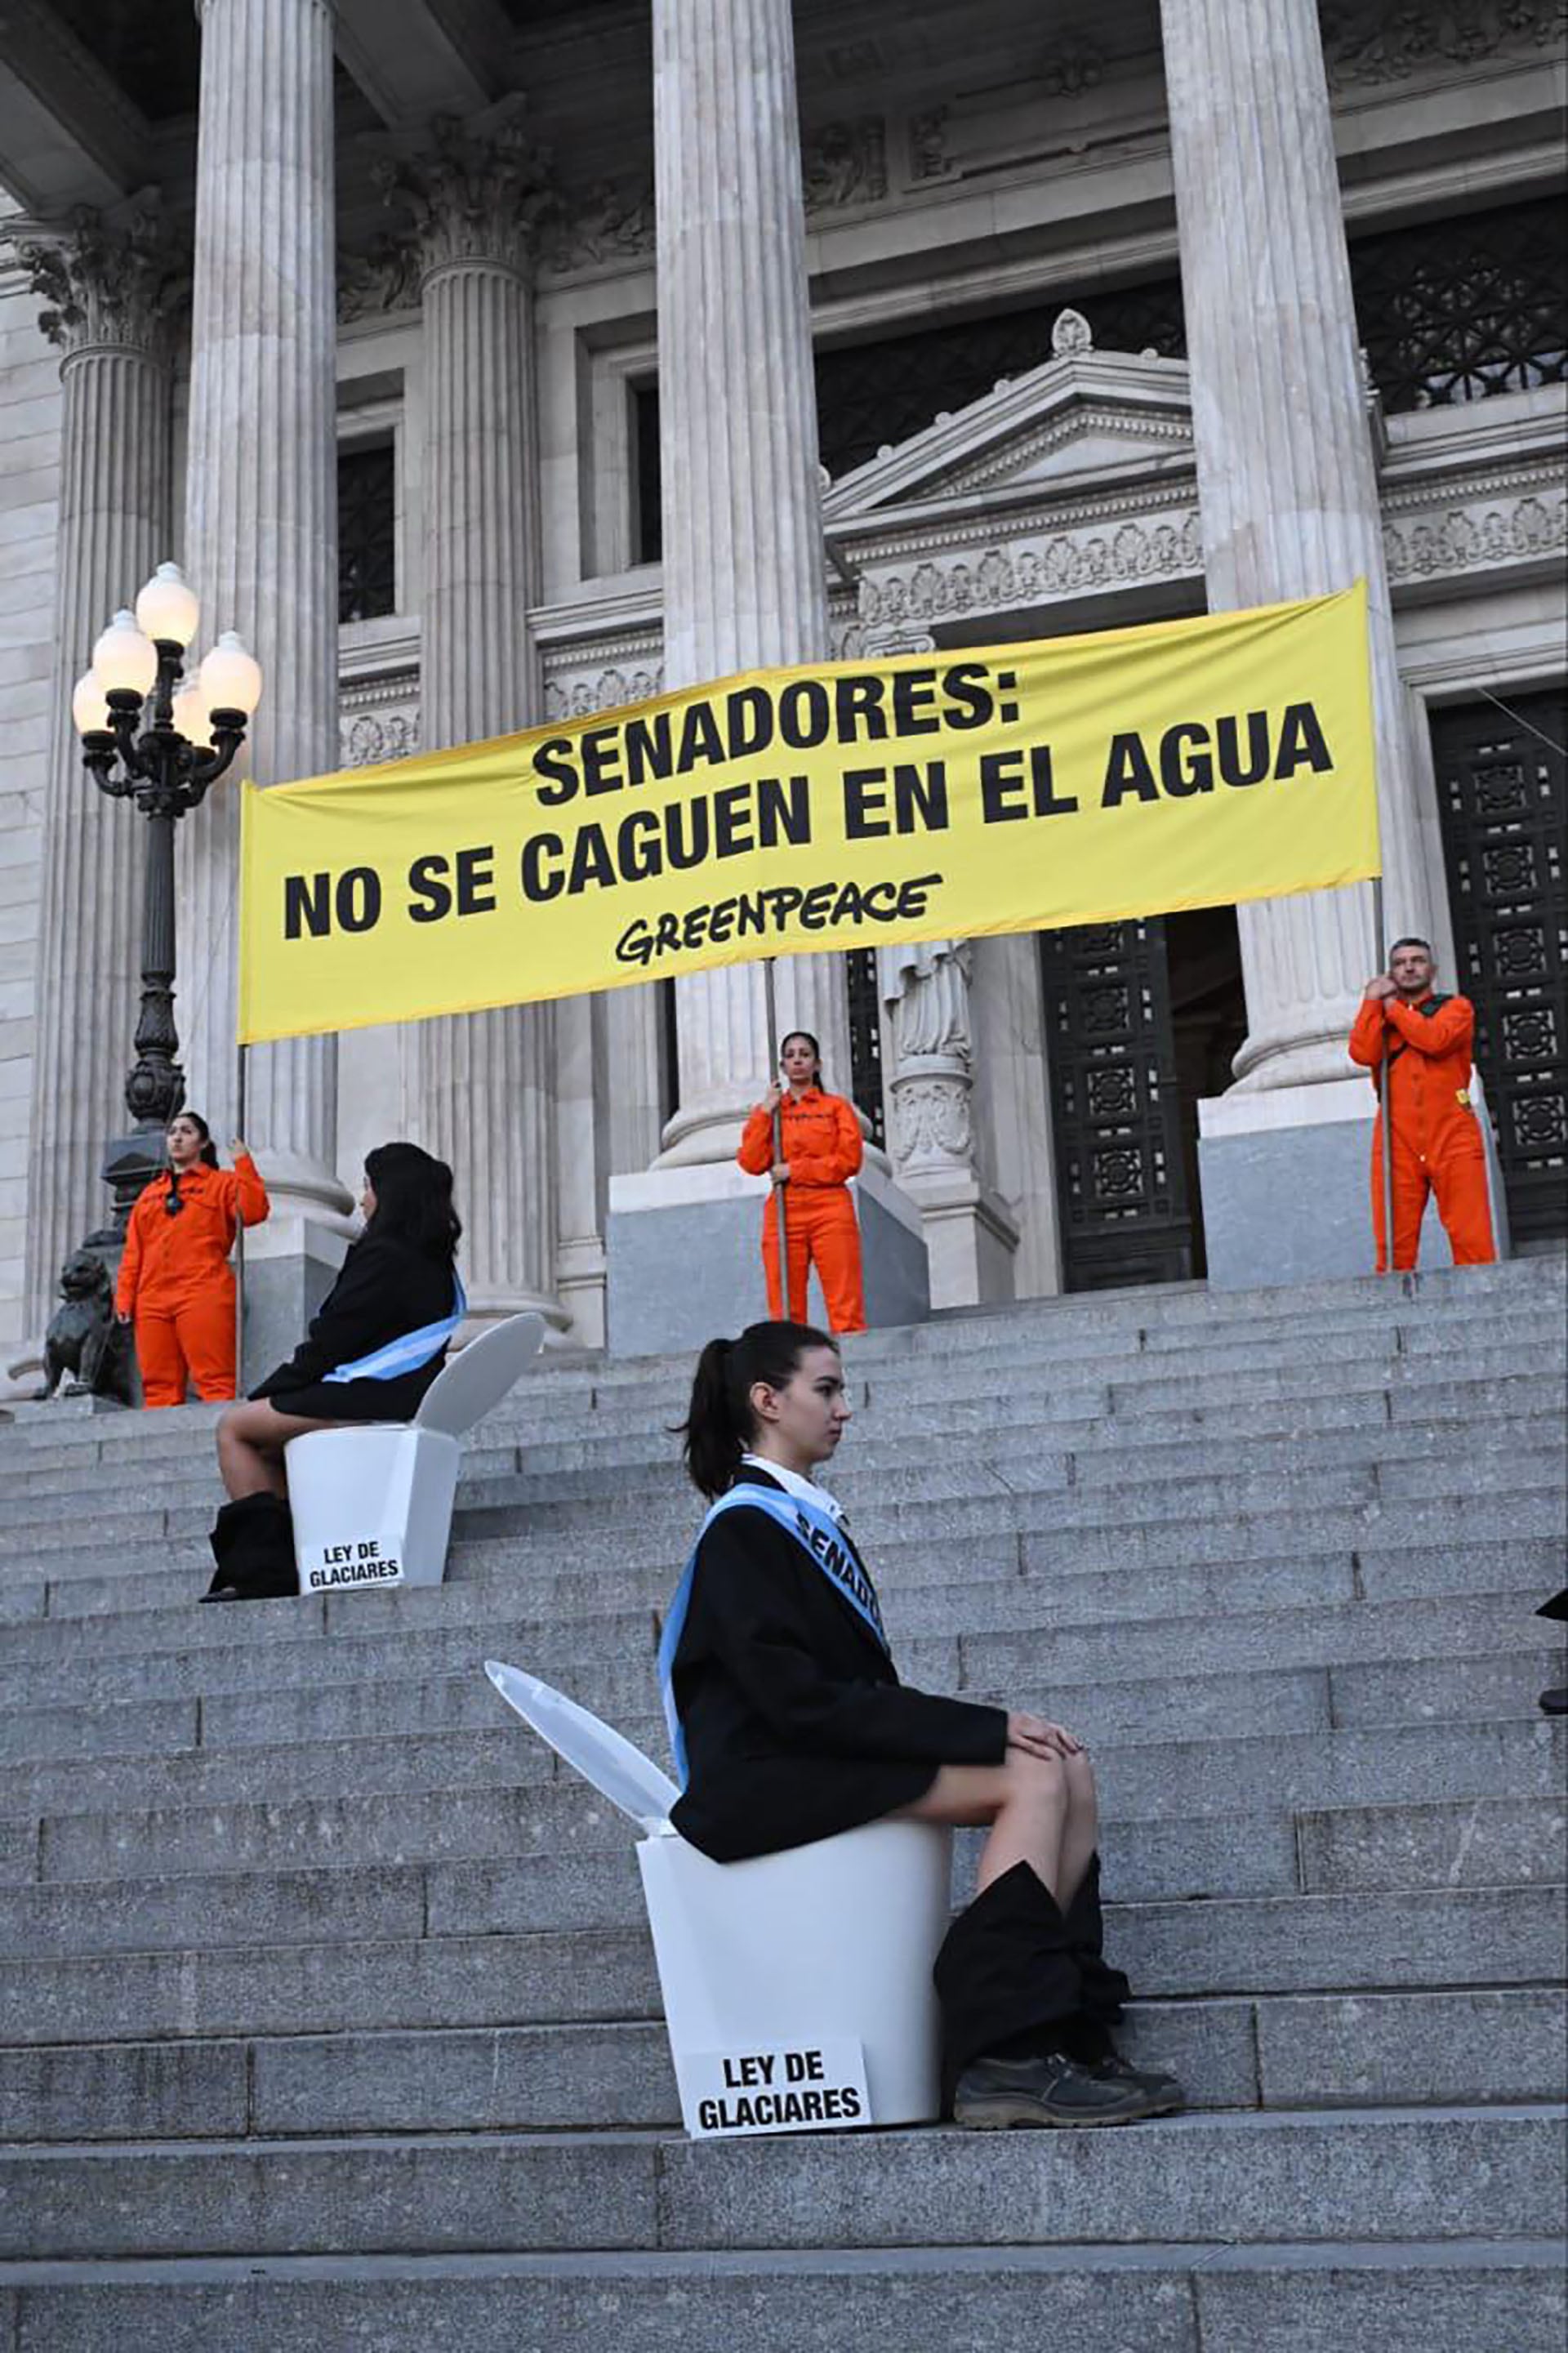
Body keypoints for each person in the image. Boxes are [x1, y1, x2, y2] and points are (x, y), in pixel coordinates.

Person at [660, 1318, 1183, 2128]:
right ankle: (1007, 2050)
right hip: (762, 1773)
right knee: (1030, 1771)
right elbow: (792, 1701)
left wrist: (986, 1727)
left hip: (812, 1751)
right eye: (826, 1389)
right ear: (768, 1400)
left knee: (1066, 1764)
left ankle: (1068, 2033)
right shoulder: (744, 1528)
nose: (844, 1409)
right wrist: (983, 1730)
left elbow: (846, 1694)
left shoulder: (794, 1516)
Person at [204, 1141, 466, 1602]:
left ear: (390, 1192)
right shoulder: (436, 1262)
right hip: (405, 1394)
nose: (362, 1199)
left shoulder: (383, 1254)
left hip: (372, 1398)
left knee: (236, 1429)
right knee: (269, 1443)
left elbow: (332, 1340)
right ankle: (298, 1556)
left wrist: (270, 1391)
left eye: (368, 1186)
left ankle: (265, 1572)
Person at [1348, 936, 1496, 1272]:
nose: (1410, 967)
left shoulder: (1456, 1008)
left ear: (1433, 969)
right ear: (1391, 972)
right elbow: (1362, 1053)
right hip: (1395, 1135)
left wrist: (1392, 1009)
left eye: (1417, 960)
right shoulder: (1382, 1019)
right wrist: (1371, 1002)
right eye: (1400, 963)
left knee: (1470, 1233)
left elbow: (1435, 1040)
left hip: (1453, 1132)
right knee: (1393, 1241)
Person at [114, 1112, 268, 1408]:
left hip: (203, 1290)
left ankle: (220, 1445)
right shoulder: (150, 1194)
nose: (177, 1137)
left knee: (215, 1379)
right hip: (152, 1298)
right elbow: (134, 1252)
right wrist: (124, 1298)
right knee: (157, 1385)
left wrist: (244, 1163)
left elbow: (254, 1210)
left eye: (186, 1131)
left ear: (203, 1142)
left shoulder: (221, 1184)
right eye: (172, 1132)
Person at [737, 1030, 867, 1335]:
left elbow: (849, 1161)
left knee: (844, 1298)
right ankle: (792, 1369)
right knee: (784, 1305)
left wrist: (797, 1170)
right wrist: (763, 1113)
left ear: (817, 1064)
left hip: (831, 1208)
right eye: (791, 1055)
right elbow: (751, 1162)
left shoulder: (836, 1108)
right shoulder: (773, 1112)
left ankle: (855, 1364)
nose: (798, 1060)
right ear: (782, 1066)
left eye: (805, 1054)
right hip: (785, 1210)